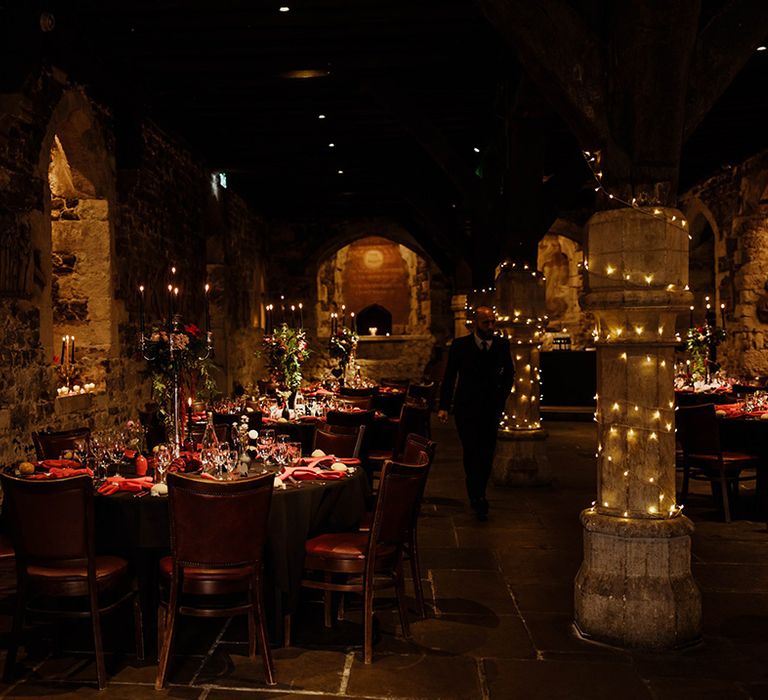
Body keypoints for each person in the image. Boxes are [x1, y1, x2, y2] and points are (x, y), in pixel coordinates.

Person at [438, 306, 514, 520]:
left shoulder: (501, 345)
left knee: (487, 451)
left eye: (492, 322)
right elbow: (450, 376)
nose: (490, 327)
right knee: (471, 451)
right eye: (485, 323)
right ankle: (476, 494)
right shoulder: (460, 346)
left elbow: (509, 375)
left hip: (490, 407)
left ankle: (479, 490)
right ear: (475, 324)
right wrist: (444, 405)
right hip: (466, 408)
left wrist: (500, 399)